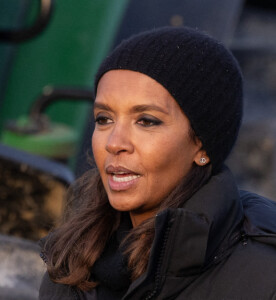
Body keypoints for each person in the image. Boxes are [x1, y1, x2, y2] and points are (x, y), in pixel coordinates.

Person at [39, 27, 276, 300]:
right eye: (104, 119)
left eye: (146, 121)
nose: (114, 143)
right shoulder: (70, 259)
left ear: (202, 145)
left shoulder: (263, 279)